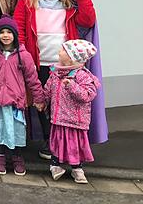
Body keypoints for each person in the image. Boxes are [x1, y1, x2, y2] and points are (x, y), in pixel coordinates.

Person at [13, 0, 96, 159]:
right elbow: (19, 27)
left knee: (65, 102)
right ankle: (50, 142)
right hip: (38, 61)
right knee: (42, 102)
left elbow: (88, 21)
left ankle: (67, 143)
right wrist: (22, 52)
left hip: (65, 64)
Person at [0, 16, 45, 176]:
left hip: (16, 102)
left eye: (9, 32)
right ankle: (0, 156)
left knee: (17, 130)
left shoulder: (23, 56)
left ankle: (17, 157)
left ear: (15, 34)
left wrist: (39, 98)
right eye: (2, 32)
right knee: (0, 130)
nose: (5, 35)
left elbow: (33, 79)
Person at [45, 40, 100, 184]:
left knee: (75, 145)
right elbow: (48, 90)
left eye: (62, 51)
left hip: (75, 120)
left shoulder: (82, 75)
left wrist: (72, 86)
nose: (58, 53)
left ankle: (77, 168)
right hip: (58, 117)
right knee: (57, 142)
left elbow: (88, 95)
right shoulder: (55, 73)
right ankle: (55, 165)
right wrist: (41, 101)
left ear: (72, 57)